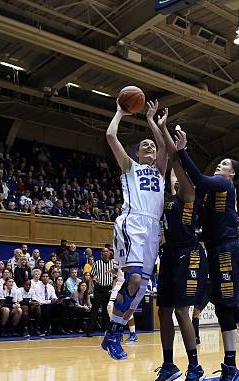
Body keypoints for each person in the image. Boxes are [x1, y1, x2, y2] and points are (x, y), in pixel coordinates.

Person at [175, 129, 239, 381]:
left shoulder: (225, 185)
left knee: (226, 306)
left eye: (225, 164)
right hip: (217, 250)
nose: (220, 165)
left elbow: (198, 179)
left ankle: (232, 365)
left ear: (232, 174)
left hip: (227, 249)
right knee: (222, 305)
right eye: (221, 163)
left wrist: (182, 150)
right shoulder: (214, 195)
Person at [101, 99, 167, 360]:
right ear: (137, 154)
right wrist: (120, 111)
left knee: (138, 292)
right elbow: (109, 135)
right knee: (134, 279)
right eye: (144, 146)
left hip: (153, 230)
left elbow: (163, 146)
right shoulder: (130, 167)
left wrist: (153, 121)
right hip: (133, 223)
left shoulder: (161, 171)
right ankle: (114, 335)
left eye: (151, 144)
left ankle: (112, 335)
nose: (150, 146)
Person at [149, 122, 207, 381]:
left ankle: (194, 366)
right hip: (170, 255)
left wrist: (164, 132)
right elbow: (163, 161)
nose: (173, 177)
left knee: (182, 312)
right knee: (163, 311)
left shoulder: (188, 193)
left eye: (176, 175)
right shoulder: (164, 199)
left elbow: (172, 160)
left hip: (189, 254)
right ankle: (169, 364)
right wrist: (154, 127)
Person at [88, 247, 115, 337]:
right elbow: (91, 277)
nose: (105, 253)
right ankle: (89, 330)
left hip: (108, 289)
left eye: (107, 251)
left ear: (109, 253)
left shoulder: (112, 264)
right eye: (103, 251)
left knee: (107, 310)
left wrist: (113, 289)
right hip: (99, 288)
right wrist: (89, 288)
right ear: (101, 253)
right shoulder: (97, 263)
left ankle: (106, 328)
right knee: (94, 309)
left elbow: (115, 278)